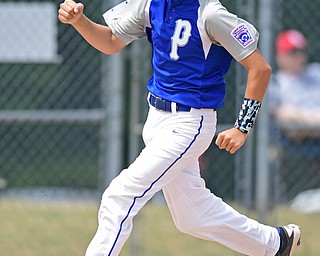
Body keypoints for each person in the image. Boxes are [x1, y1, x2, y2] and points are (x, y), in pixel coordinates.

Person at [58, 1, 301, 255]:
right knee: (191, 216)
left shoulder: (210, 13)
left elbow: (260, 69)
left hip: (189, 123)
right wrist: (79, 21)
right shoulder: (152, 4)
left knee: (120, 195)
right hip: (156, 119)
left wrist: (242, 127)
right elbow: (110, 41)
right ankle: (275, 244)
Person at [269, 29, 320, 133]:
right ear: (280, 56)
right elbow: (283, 116)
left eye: (302, 51)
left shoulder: (316, 72)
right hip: (291, 143)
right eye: (294, 52)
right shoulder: (275, 82)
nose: (300, 56)